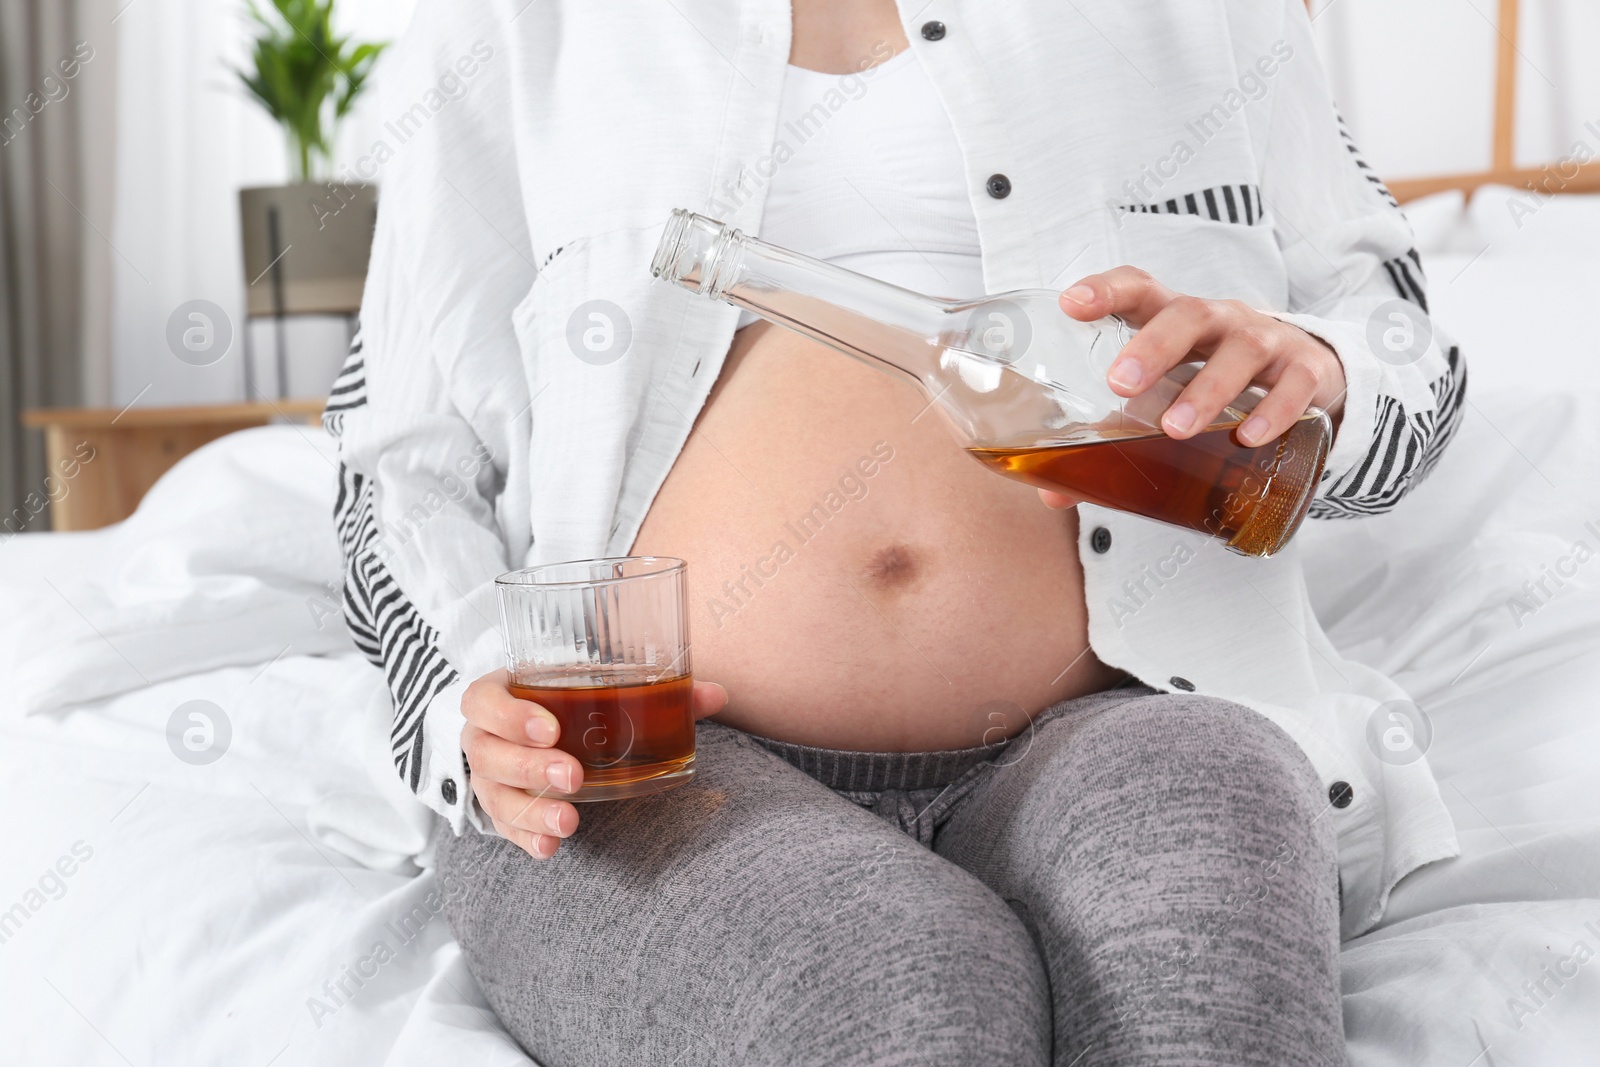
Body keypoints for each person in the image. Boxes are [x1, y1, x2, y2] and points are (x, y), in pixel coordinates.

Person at [326, 0, 1467, 1063]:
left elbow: (1404, 344)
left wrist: (1319, 372)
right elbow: (395, 462)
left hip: (1114, 718)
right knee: (895, 980)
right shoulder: (523, 24)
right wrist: (472, 695)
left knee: (1210, 882)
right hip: (640, 756)